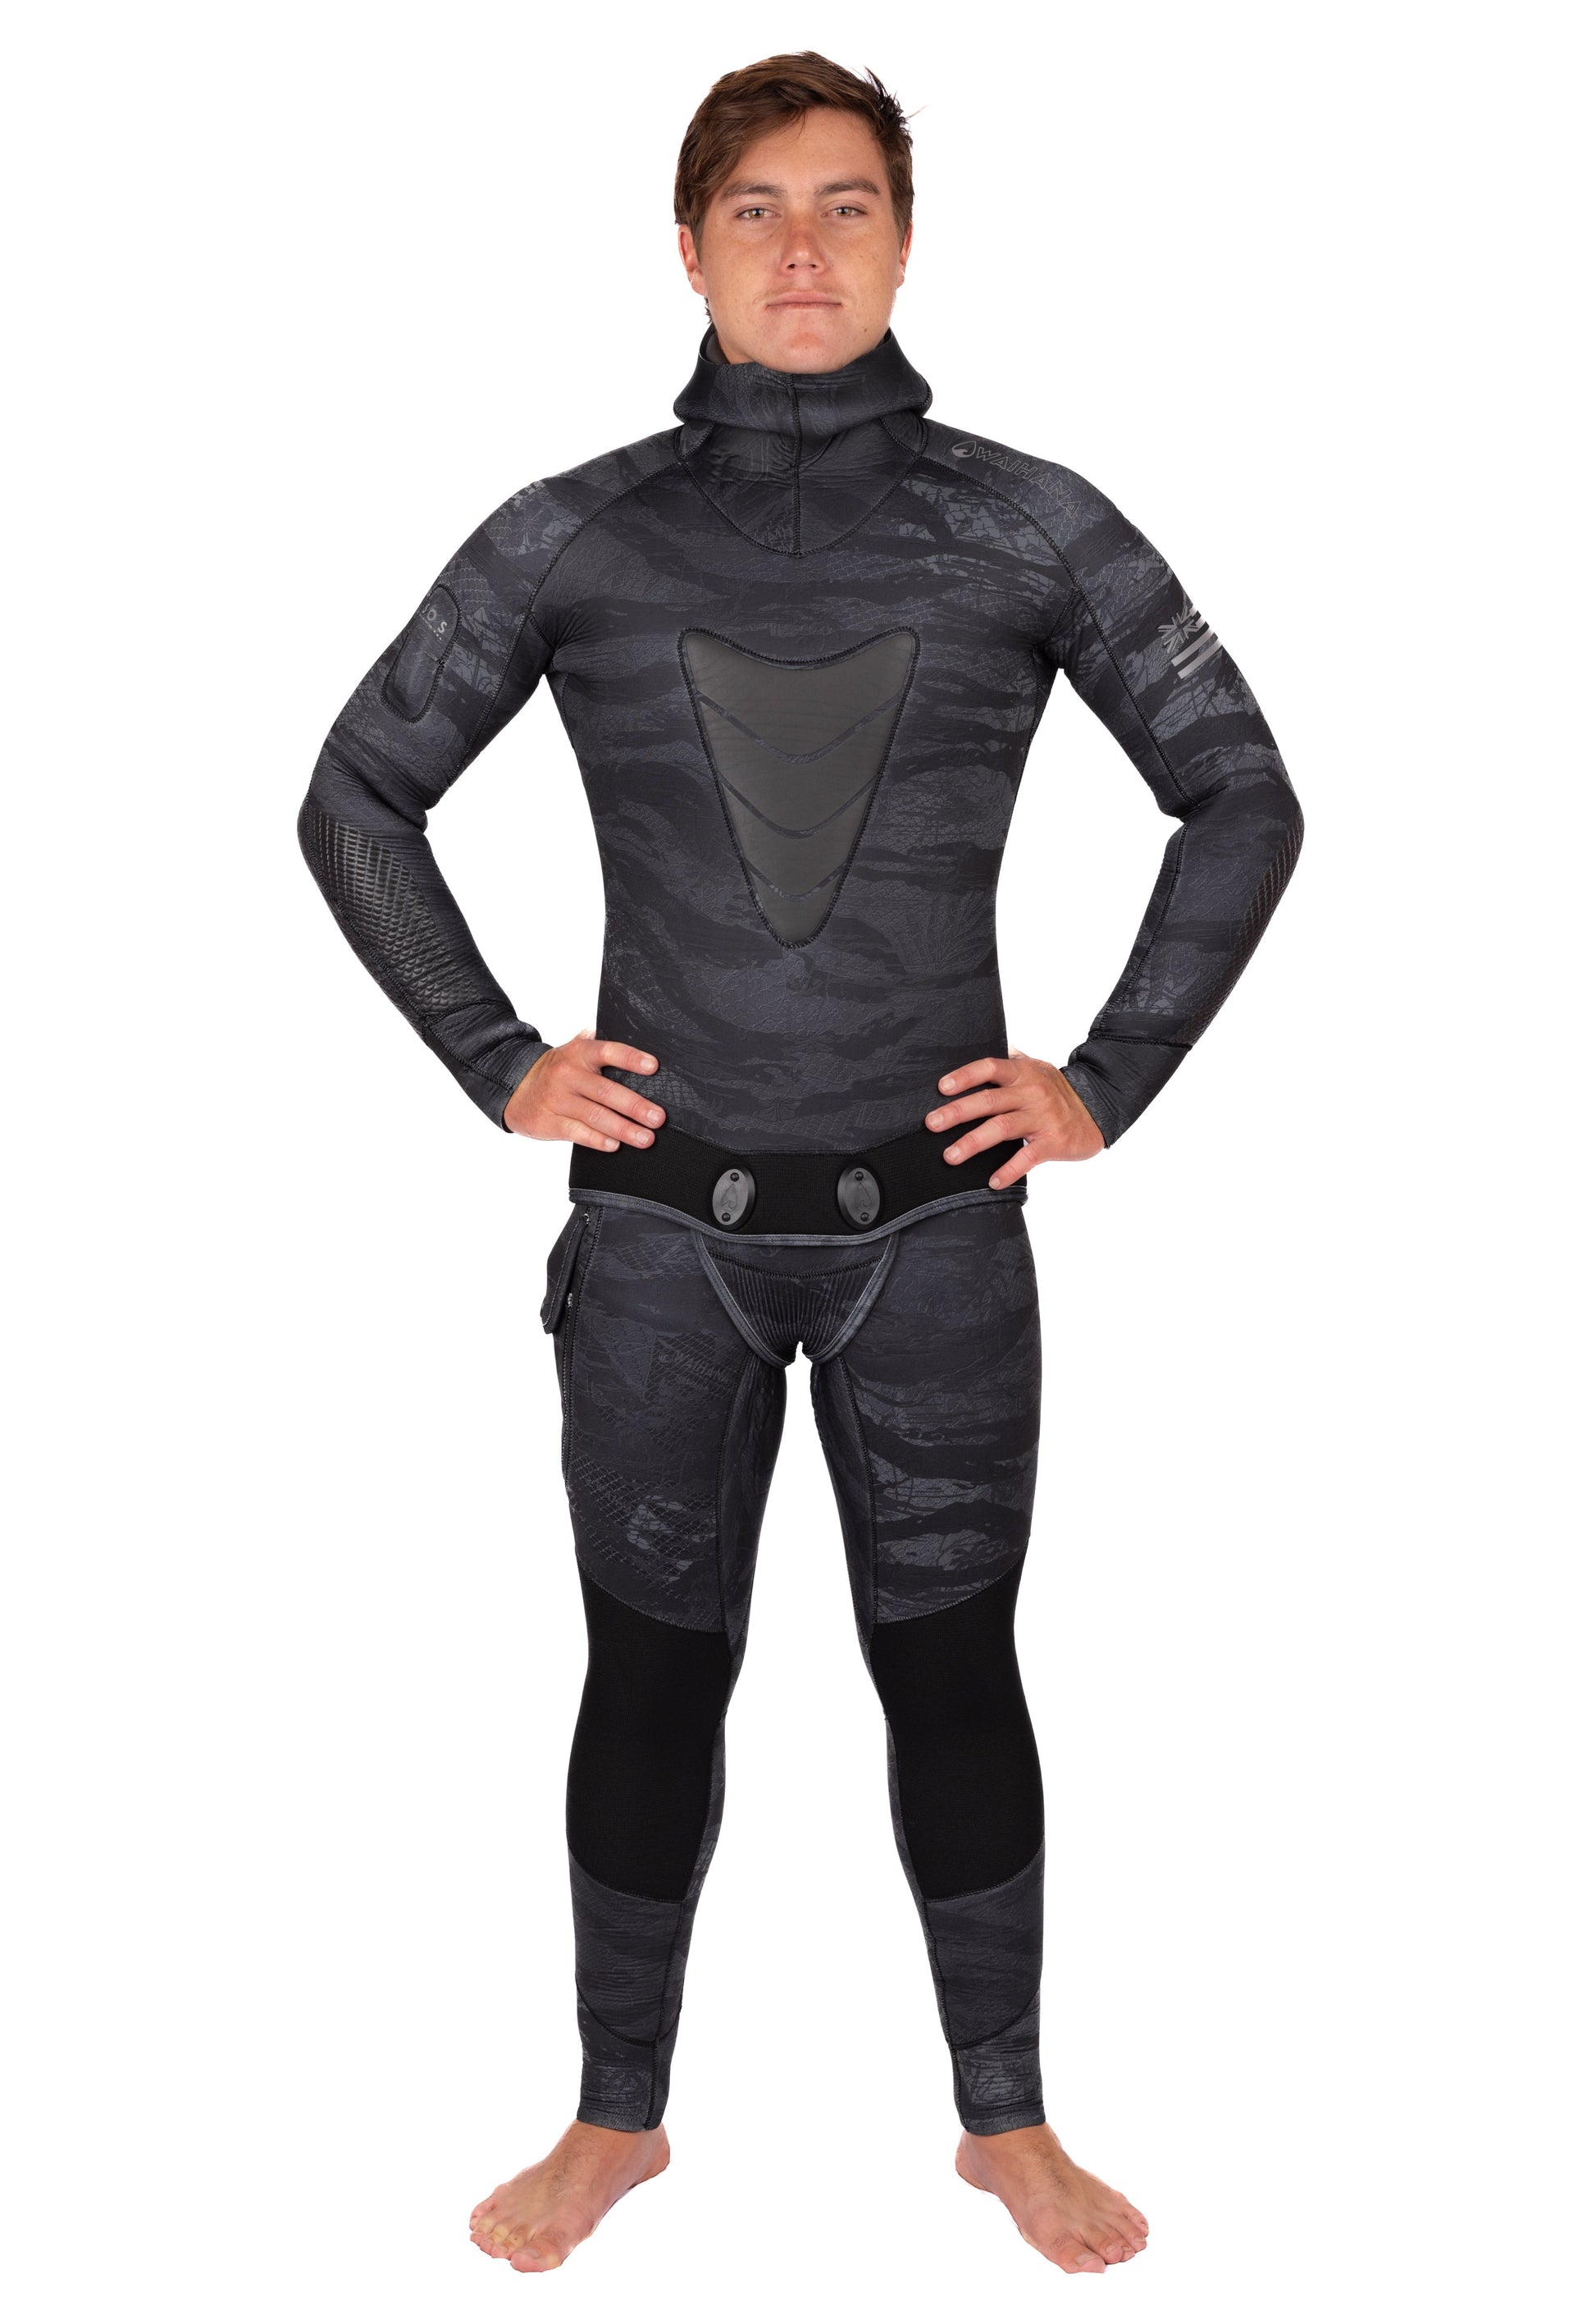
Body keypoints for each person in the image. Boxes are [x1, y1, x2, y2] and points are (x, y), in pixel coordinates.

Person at [299, 51, 1301, 2278]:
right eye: (754, 208)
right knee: (649, 1674)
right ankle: (614, 2118)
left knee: (954, 1669)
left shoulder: (1030, 526)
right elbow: (357, 791)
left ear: (906, 242)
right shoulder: (575, 533)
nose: (802, 248)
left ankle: (1006, 2123)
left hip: (934, 1235)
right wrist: (496, 1059)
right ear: (687, 249)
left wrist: (1107, 1076)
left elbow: (1241, 790)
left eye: (847, 205)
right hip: (663, 1237)